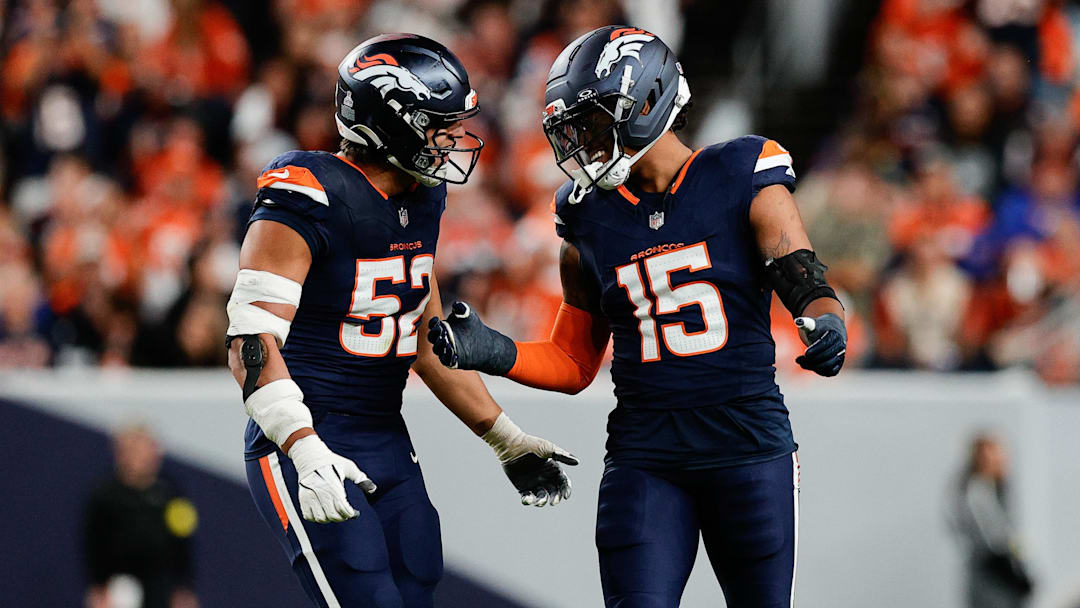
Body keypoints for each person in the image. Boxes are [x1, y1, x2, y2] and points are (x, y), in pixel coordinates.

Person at [428, 26, 848, 607]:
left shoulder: (741, 170)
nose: (581, 142)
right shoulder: (585, 217)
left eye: (593, 123)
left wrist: (828, 320)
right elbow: (573, 361)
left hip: (749, 449)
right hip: (647, 458)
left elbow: (803, 276)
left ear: (647, 103)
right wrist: (492, 350)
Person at [226, 34, 577, 608]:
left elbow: (425, 336)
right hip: (305, 436)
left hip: (385, 433)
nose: (452, 140)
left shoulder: (422, 196)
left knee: (418, 574)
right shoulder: (309, 193)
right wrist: (303, 447)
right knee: (367, 594)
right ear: (390, 123)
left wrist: (504, 437)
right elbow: (250, 341)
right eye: (438, 125)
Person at [83, 425, 199, 608]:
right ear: (121, 454)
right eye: (134, 450)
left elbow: (181, 544)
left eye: (146, 449)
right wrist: (99, 587)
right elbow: (93, 544)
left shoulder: (170, 493)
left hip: (161, 585)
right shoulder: (105, 496)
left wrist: (183, 589)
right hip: (120, 586)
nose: (142, 456)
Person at [951, 434, 1033, 608]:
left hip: (1002, 574)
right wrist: (1012, 572)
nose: (1002, 461)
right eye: (996, 457)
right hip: (992, 574)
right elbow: (993, 540)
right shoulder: (977, 493)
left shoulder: (996, 490)